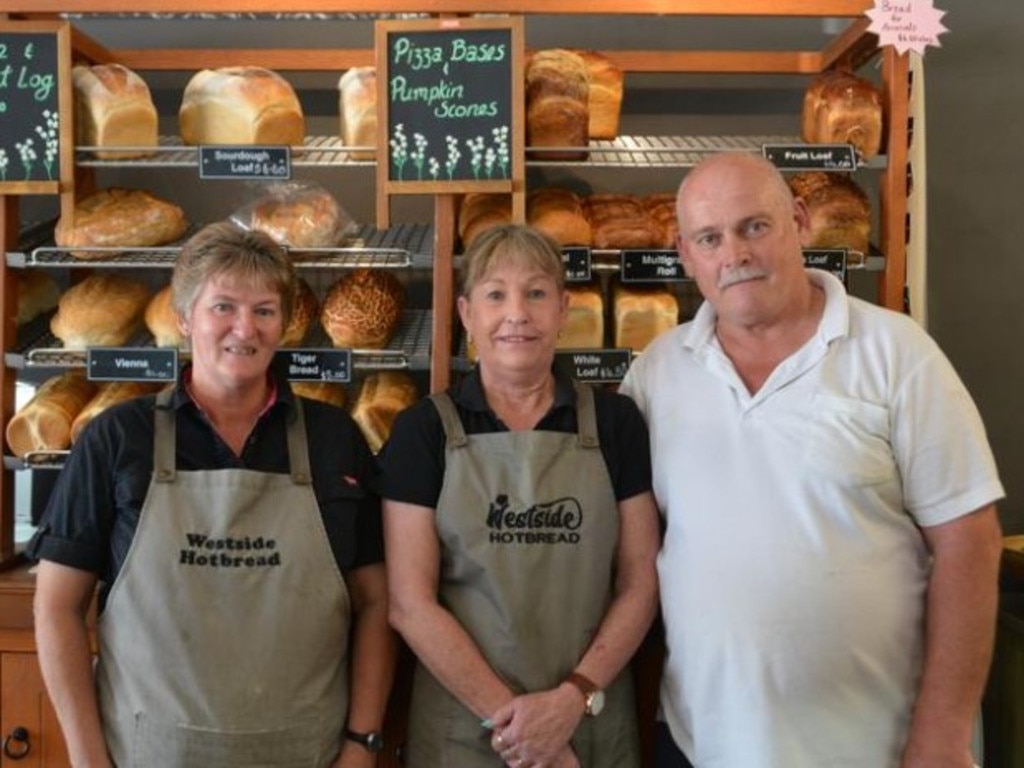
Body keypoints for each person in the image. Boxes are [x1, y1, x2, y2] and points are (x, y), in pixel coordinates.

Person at [619, 151, 1006, 768]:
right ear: (685, 254)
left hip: (876, 746)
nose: (735, 254)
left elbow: (970, 542)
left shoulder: (896, 352)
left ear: (800, 222)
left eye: (754, 226)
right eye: (709, 238)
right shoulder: (656, 374)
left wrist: (943, 731)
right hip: (700, 744)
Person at [30, 221, 395, 768]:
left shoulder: (334, 439)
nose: (244, 329)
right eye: (222, 306)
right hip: (149, 754)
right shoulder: (118, 438)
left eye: (265, 310)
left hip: (305, 753)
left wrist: (362, 745)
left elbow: (375, 602)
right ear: (184, 318)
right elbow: (56, 607)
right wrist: (87, 761)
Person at [379, 224, 660, 768]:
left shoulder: (615, 423)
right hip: (466, 731)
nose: (517, 314)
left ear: (563, 307)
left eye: (536, 293)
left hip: (588, 719)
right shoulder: (424, 431)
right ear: (465, 313)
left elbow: (639, 583)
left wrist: (570, 700)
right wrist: (526, 731)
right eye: (495, 295)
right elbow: (410, 605)